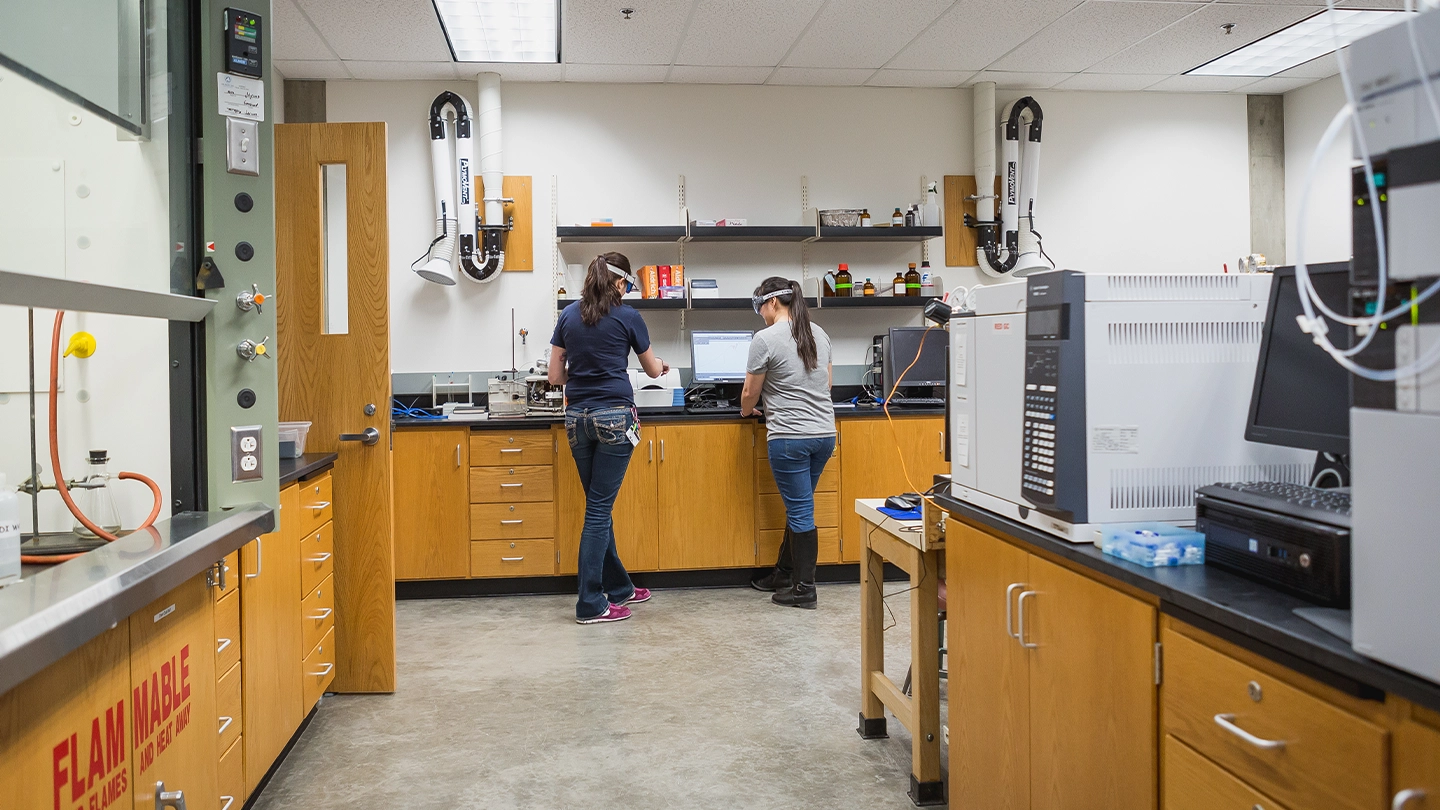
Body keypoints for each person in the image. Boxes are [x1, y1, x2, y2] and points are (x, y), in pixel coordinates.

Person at [549, 253, 669, 624]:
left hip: (577, 419)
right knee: (599, 510)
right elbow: (651, 369)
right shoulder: (628, 316)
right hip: (615, 419)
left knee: (598, 507)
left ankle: (618, 588)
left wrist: (583, 371)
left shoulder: (568, 315)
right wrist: (660, 365)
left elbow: (555, 376)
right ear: (620, 283)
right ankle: (590, 603)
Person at [741, 277, 835, 609]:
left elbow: (750, 392)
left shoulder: (764, 338)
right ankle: (784, 573)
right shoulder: (818, 333)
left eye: (760, 307)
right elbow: (827, 384)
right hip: (824, 435)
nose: (760, 314)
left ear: (772, 303)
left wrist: (747, 410)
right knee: (800, 506)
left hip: (790, 438)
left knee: (800, 510)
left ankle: (804, 590)